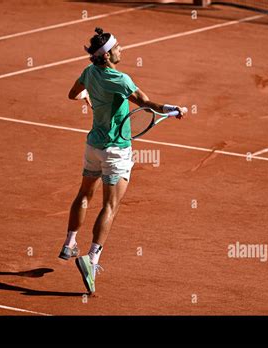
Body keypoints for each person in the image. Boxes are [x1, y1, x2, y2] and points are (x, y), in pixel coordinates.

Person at [59, 27, 187, 294]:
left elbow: (73, 94)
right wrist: (173, 110)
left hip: (93, 146)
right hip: (116, 151)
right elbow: (147, 103)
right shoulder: (121, 79)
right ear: (106, 56)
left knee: (84, 194)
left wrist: (86, 96)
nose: (122, 50)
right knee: (110, 206)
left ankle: (69, 244)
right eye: (117, 47)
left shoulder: (89, 72)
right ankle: (91, 259)